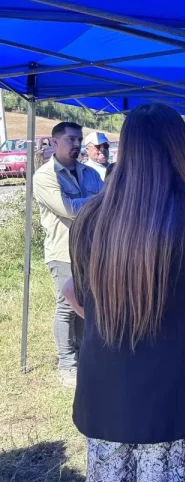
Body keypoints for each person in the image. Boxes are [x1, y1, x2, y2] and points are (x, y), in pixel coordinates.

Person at [68, 104, 185, 481]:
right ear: (181, 148)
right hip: (176, 394)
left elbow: (83, 298)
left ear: (127, 149)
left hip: (106, 391)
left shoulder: (90, 218)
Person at [34, 121, 104, 386]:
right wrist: (102, 199)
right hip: (63, 251)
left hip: (93, 250)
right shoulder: (45, 176)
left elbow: (106, 204)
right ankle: (67, 364)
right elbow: (70, 208)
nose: (76, 144)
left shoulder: (90, 173)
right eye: (70, 140)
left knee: (89, 304)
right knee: (66, 307)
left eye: (78, 140)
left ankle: (86, 357)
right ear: (54, 142)